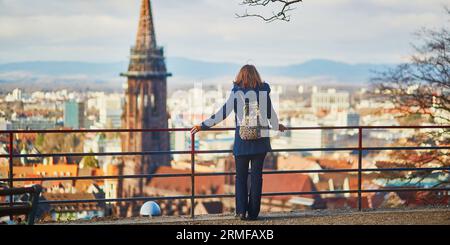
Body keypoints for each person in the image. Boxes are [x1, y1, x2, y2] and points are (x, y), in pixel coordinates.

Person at [191, 64, 286, 220]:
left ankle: (241, 211)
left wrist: (202, 125)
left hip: (242, 143)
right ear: (257, 76)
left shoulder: (236, 93)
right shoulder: (263, 91)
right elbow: (271, 114)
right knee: (256, 178)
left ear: (240, 77)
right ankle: (253, 213)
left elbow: (222, 113)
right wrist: (278, 126)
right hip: (261, 142)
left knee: (241, 178)